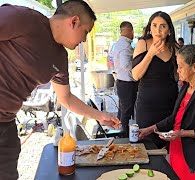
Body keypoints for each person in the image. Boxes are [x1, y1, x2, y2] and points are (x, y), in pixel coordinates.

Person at [0, 1, 120, 179]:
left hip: (6, 125)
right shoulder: (24, 19)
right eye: (85, 32)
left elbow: (66, 99)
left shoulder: (60, 57)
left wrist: (101, 116)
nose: (84, 40)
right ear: (73, 22)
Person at [139, 45, 195, 180]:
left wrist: (182, 133)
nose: (178, 71)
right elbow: (174, 118)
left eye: (180, 66)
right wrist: (150, 129)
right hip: (177, 149)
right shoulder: (185, 88)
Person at [132, 11, 179, 148]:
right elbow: (135, 75)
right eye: (154, 25)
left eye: (163, 26)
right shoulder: (143, 44)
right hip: (148, 106)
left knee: (169, 142)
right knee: (148, 144)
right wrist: (151, 53)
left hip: (170, 104)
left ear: (169, 29)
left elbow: (177, 76)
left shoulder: (174, 48)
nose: (158, 30)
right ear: (149, 27)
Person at [113, 21, 138, 137]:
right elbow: (126, 64)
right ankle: (124, 135)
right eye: (132, 31)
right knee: (126, 110)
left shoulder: (119, 43)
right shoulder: (125, 45)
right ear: (130, 31)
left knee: (123, 109)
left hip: (122, 81)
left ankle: (120, 131)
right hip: (127, 83)